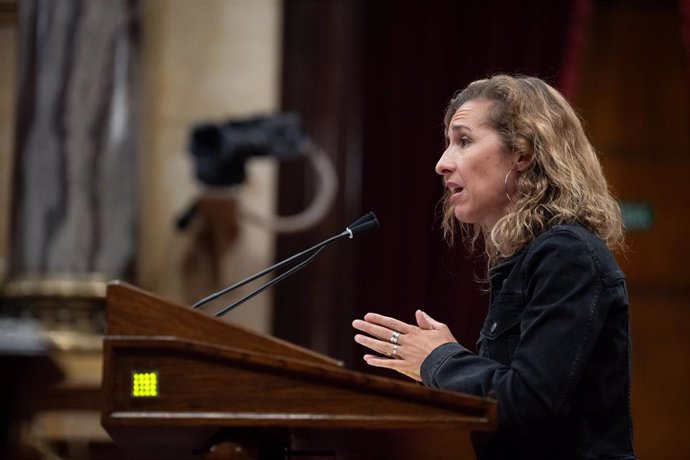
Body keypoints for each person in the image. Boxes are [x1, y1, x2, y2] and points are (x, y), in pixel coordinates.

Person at [352, 75, 635, 460]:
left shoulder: (566, 254)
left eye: (464, 141)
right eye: (448, 143)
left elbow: (528, 403)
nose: (441, 163)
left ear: (522, 153)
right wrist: (436, 366)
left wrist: (440, 359)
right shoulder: (530, 255)